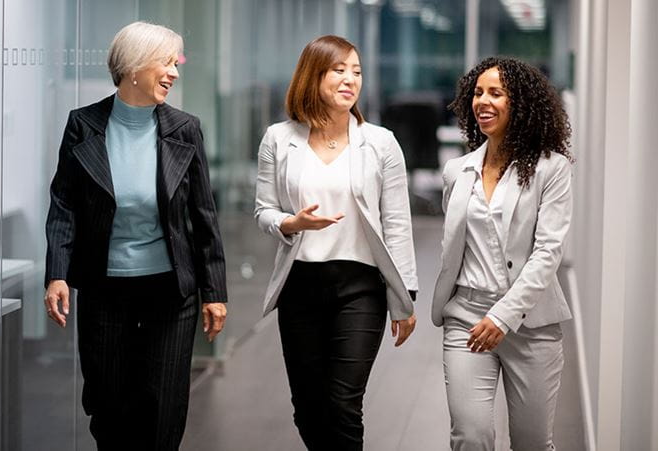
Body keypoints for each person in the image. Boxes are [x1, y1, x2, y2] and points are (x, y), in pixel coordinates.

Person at [43, 21, 227, 451]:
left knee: (163, 405)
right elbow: (64, 205)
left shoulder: (185, 129)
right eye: (166, 62)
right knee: (108, 404)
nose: (174, 72)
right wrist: (57, 274)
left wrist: (213, 290)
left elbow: (203, 215)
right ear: (133, 67)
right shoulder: (83, 124)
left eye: (175, 63)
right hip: (105, 288)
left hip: (170, 290)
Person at [254, 35, 418, 451]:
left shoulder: (380, 142)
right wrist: (292, 222)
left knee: (344, 403)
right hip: (300, 287)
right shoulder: (278, 138)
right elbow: (263, 211)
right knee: (307, 406)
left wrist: (405, 297)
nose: (351, 80)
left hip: (360, 286)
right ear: (313, 76)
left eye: (357, 72)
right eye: (339, 70)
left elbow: (397, 222)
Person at [432, 56, 573, 450]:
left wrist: (503, 315)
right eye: (478, 93)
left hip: (531, 325)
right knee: (470, 435)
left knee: (531, 442)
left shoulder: (552, 169)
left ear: (521, 103)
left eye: (496, 93)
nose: (483, 101)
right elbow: (457, 244)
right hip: (467, 318)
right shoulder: (457, 170)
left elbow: (548, 252)